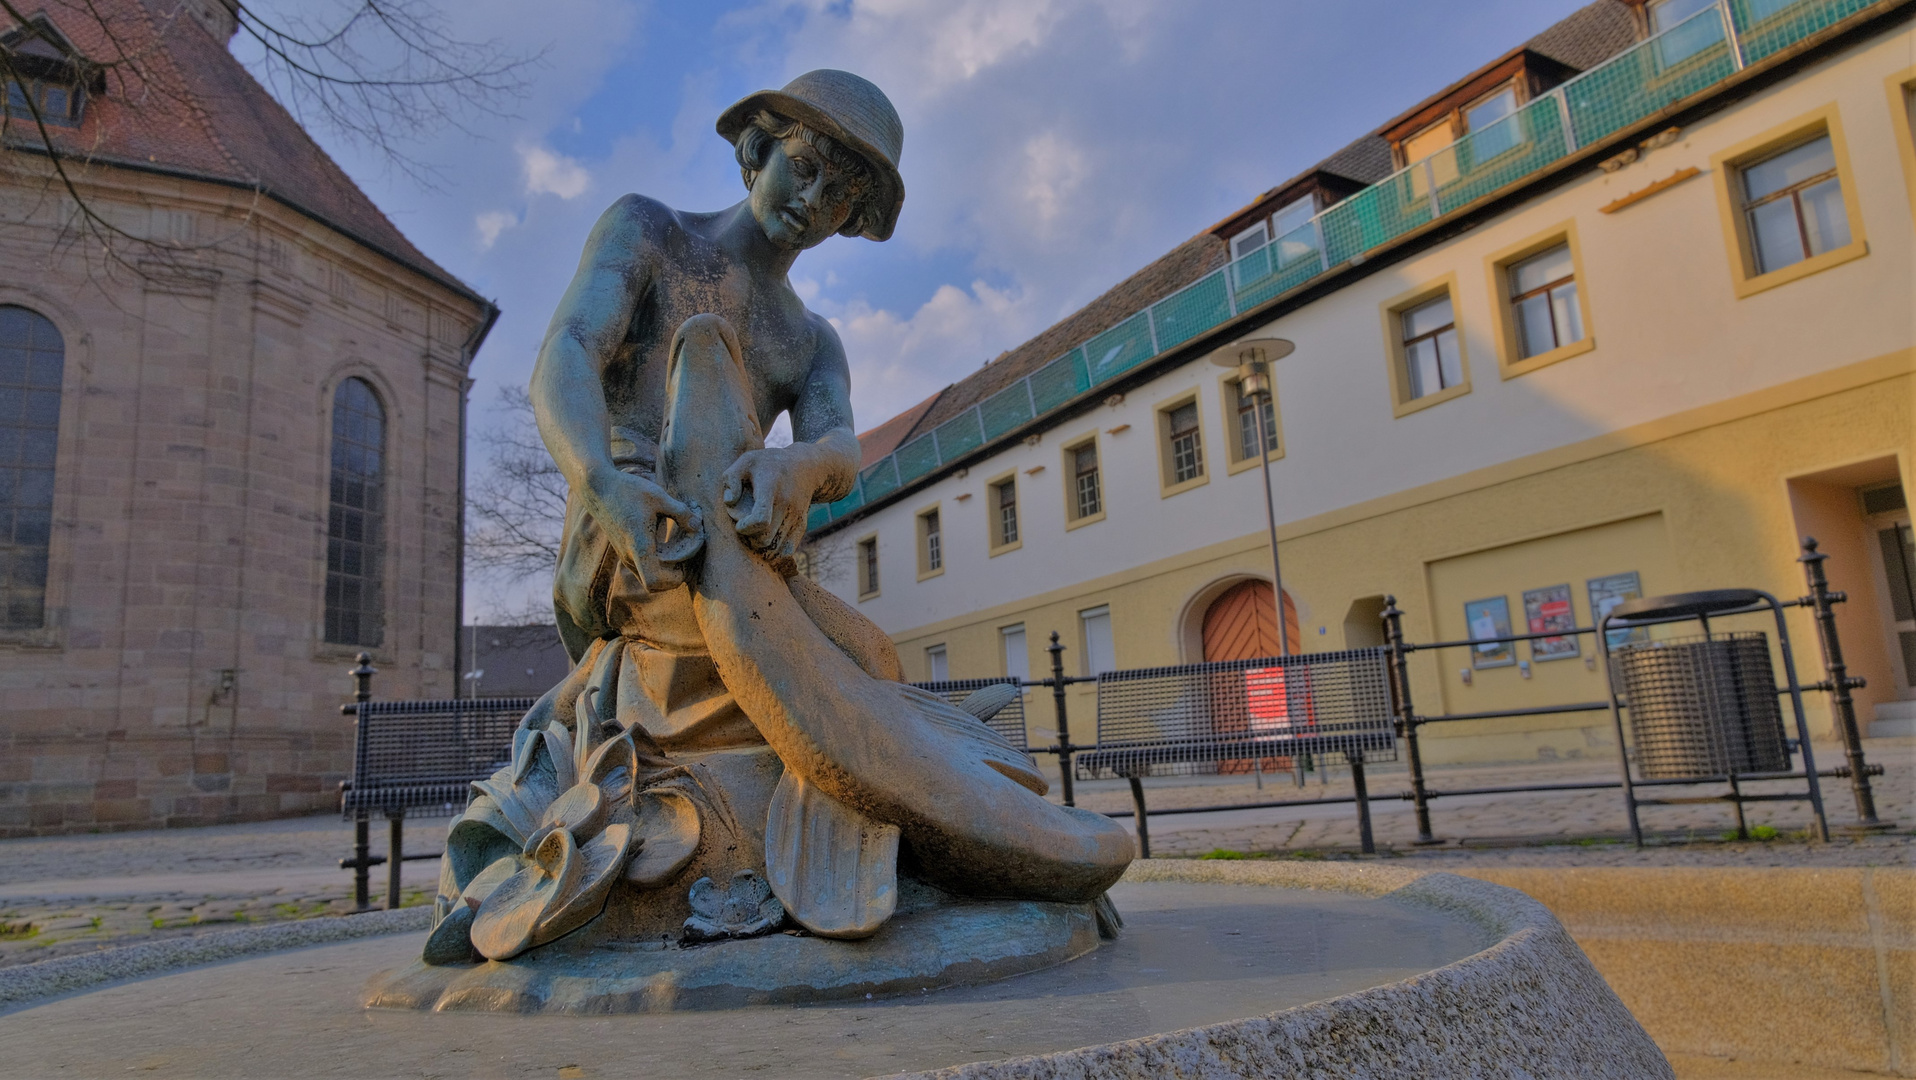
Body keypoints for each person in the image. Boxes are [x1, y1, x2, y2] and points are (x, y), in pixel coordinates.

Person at [435, 72, 1130, 960]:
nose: (815, 202)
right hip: (637, 535)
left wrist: (799, 467)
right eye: (804, 169)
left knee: (869, 654)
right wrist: (603, 482)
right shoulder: (647, 232)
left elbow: (840, 449)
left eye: (843, 196)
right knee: (707, 406)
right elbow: (567, 350)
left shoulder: (809, 339)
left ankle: (889, 803)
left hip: (741, 554)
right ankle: (909, 795)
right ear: (757, 149)